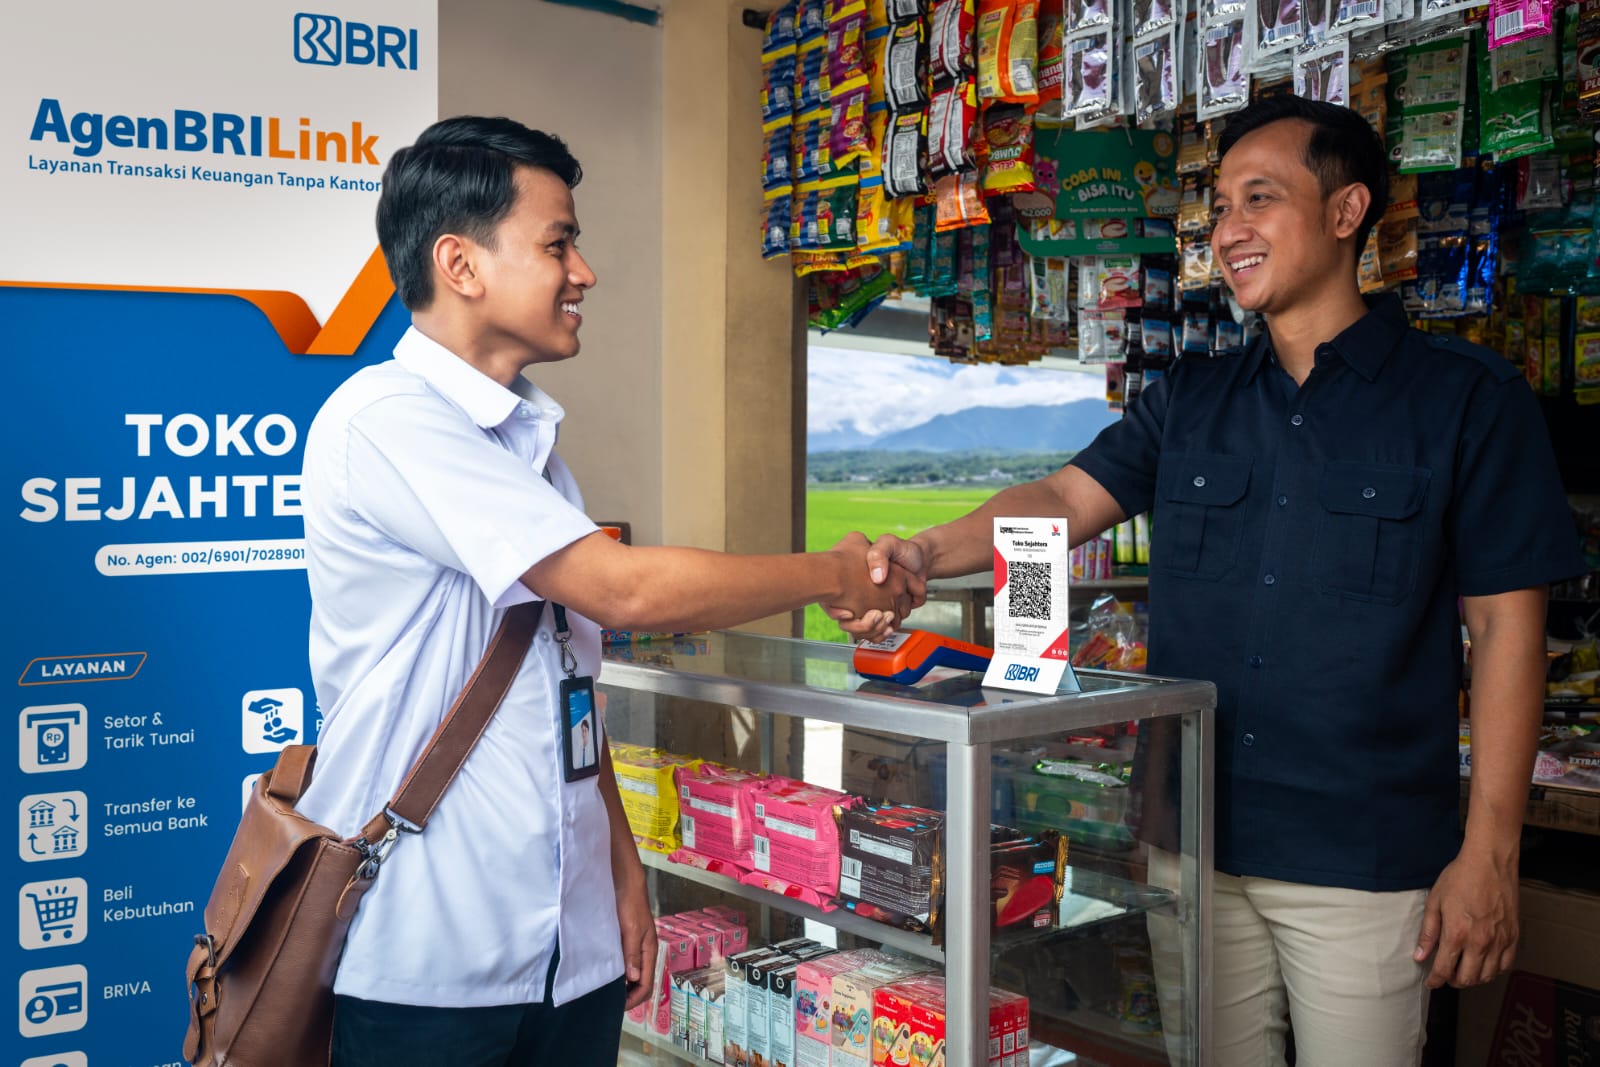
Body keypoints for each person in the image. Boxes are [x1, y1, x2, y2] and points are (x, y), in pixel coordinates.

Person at [836, 95, 1584, 1065]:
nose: (1227, 230)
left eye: (1258, 199)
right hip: (1194, 847)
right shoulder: (1189, 399)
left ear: (1347, 211)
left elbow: (1507, 633)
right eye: (1218, 207)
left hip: (1364, 863)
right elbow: (1061, 497)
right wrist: (925, 553)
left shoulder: (1466, 402)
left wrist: (1490, 854)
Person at [297, 115, 909, 1067]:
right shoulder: (385, 419)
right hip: (435, 958)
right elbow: (620, 590)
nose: (583, 271)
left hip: (569, 953)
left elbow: (559, 695)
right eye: (558, 242)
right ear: (460, 264)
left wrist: (621, 871)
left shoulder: (530, 451)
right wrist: (836, 574)